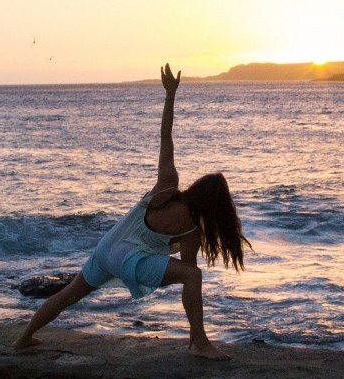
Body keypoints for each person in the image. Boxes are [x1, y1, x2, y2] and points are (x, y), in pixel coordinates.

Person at [14, 64, 249, 359]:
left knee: (68, 295)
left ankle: (23, 338)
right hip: (126, 258)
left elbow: (166, 138)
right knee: (193, 277)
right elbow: (190, 276)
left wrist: (170, 95)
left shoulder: (166, 188)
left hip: (106, 248)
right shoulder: (192, 232)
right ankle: (199, 344)